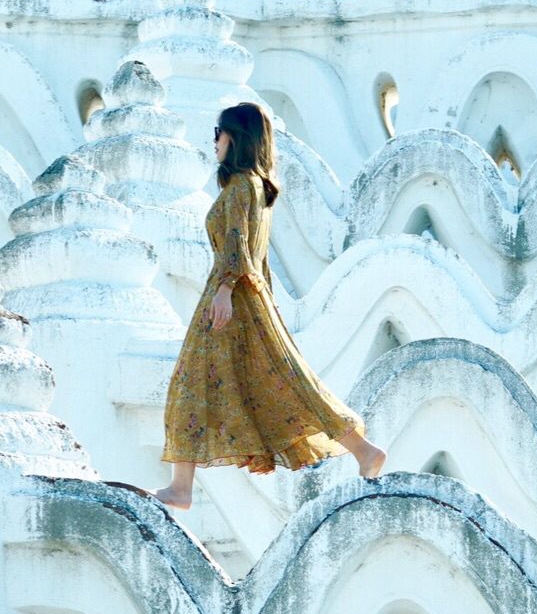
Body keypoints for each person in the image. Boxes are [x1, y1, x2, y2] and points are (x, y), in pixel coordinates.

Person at [153, 103, 386, 508]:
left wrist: (225, 289)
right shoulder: (256, 186)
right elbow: (257, 257)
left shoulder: (243, 185)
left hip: (230, 296)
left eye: (219, 132)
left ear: (236, 136)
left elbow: (237, 244)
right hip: (249, 296)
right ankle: (363, 450)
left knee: (192, 386)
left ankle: (181, 488)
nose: (214, 141)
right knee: (281, 384)